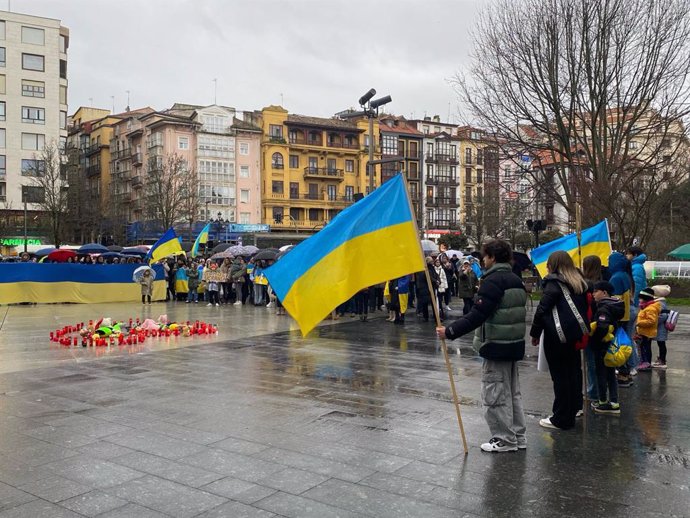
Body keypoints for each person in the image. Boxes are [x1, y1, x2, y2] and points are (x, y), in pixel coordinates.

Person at [436, 240, 527, 453]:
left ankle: (504, 438)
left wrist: (449, 331)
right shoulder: (515, 279)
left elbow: (478, 314)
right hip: (512, 344)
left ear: (493, 257)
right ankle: (517, 436)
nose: (482, 261)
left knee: (494, 393)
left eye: (484, 257)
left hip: (496, 344)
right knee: (512, 393)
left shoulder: (493, 281)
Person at [530, 250, 589, 430]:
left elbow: (542, 310)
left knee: (560, 377)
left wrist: (534, 333)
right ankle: (573, 408)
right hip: (574, 334)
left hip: (557, 336)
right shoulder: (579, 282)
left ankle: (561, 417)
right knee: (573, 373)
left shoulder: (553, 283)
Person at [588, 281, 625, 415]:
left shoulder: (603, 308)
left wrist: (593, 336)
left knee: (601, 374)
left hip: (602, 346)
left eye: (595, 291)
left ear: (604, 292)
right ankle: (614, 402)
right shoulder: (615, 305)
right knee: (610, 374)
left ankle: (603, 401)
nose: (593, 294)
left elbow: (602, 327)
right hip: (612, 347)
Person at [607, 252, 635, 387]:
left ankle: (623, 373)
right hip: (626, 315)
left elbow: (614, 300)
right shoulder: (625, 275)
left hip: (618, 316)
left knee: (617, 345)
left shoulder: (616, 278)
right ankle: (626, 373)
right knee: (623, 343)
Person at [635, 287, 661, 371]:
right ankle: (644, 362)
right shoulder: (645, 307)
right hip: (644, 332)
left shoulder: (650, 309)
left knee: (646, 348)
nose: (639, 300)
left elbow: (651, 321)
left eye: (641, 298)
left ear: (646, 299)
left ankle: (646, 362)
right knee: (643, 347)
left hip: (647, 333)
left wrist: (639, 323)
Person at [652, 285, 671, 369]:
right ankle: (661, 359)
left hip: (660, 328)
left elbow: (663, 316)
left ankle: (662, 361)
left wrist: (654, 322)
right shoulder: (662, 302)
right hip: (661, 328)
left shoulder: (659, 303)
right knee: (661, 344)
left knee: (661, 344)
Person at [415, 257, 439, 322]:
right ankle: (426, 317)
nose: (432, 262)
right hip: (425, 288)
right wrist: (435, 281)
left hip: (431, 288)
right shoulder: (424, 268)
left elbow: (435, 275)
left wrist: (437, 280)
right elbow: (427, 277)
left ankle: (436, 317)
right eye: (431, 261)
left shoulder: (432, 267)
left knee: (433, 303)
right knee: (425, 303)